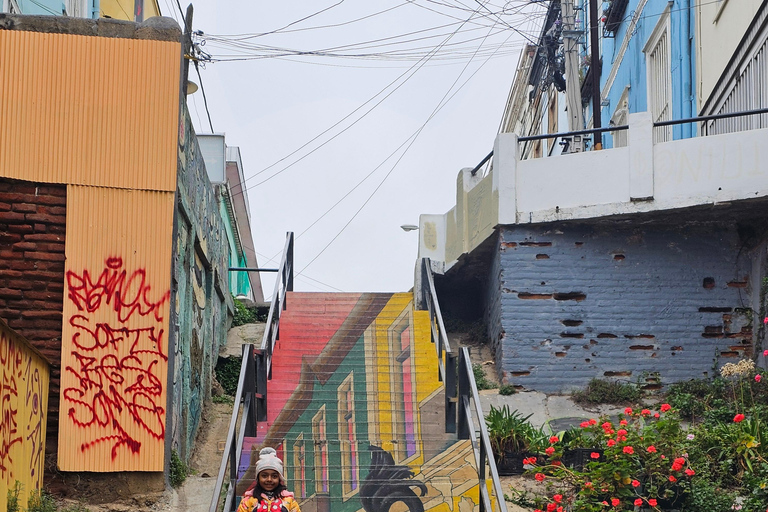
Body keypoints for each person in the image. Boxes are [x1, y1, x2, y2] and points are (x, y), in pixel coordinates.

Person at [236, 447, 301, 512]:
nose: (269, 479)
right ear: (258, 478)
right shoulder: (248, 502)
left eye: (274, 476)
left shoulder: (289, 501)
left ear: (279, 478)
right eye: (264, 476)